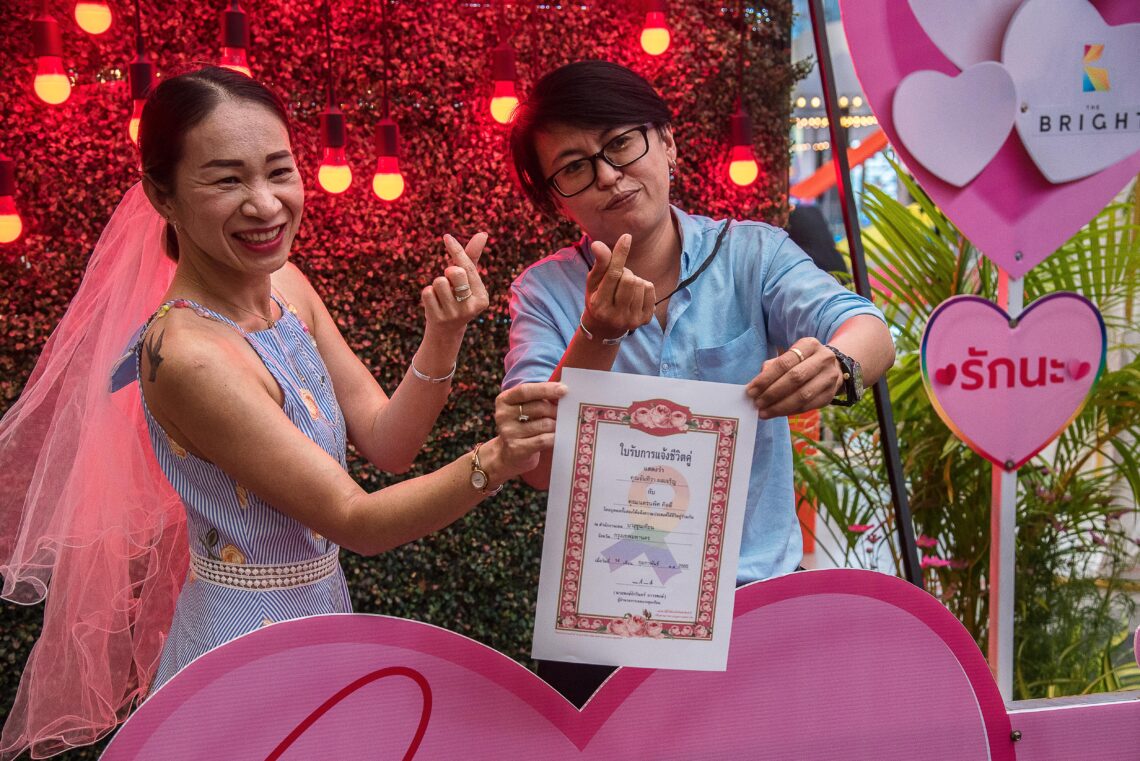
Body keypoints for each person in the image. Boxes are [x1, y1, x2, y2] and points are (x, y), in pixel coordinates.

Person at [0, 66, 563, 758]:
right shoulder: (188, 356)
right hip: (244, 645)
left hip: (324, 615)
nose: (265, 204)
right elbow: (357, 521)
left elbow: (388, 442)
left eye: (278, 171)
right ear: (162, 195)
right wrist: (497, 461)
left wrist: (442, 335)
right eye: (227, 179)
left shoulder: (285, 286)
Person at [503, 60, 895, 706]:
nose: (607, 174)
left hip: (752, 603)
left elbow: (866, 328)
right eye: (575, 166)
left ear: (667, 142)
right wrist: (597, 335)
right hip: (607, 615)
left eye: (622, 143)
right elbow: (537, 464)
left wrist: (838, 366)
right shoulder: (545, 293)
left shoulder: (753, 255)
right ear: (556, 197)